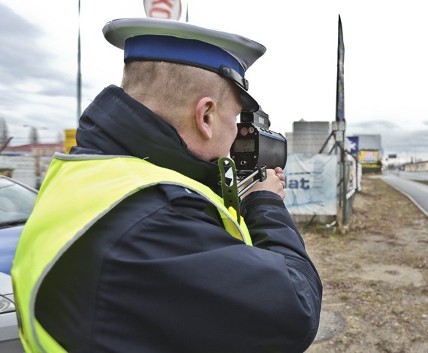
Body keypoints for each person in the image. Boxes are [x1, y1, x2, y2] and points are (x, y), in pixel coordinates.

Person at [12, 18, 322, 353]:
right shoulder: (157, 217)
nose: (236, 135)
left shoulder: (86, 176)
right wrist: (267, 206)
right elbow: (295, 309)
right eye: (234, 118)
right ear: (205, 116)